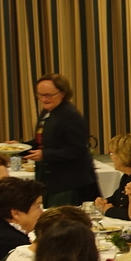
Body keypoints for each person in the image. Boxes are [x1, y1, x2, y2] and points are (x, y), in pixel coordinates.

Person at [25, 73, 97, 205]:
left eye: (49, 95)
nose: (44, 99)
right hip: (50, 180)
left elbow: (78, 149)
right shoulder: (47, 112)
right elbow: (43, 141)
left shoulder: (71, 116)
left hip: (69, 183)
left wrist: (45, 155)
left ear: (62, 94)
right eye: (40, 95)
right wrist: (19, 147)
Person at [94, 133, 131, 222]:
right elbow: (117, 198)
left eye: (112, 153)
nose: (111, 157)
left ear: (124, 155)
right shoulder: (126, 176)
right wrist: (104, 201)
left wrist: (110, 211)